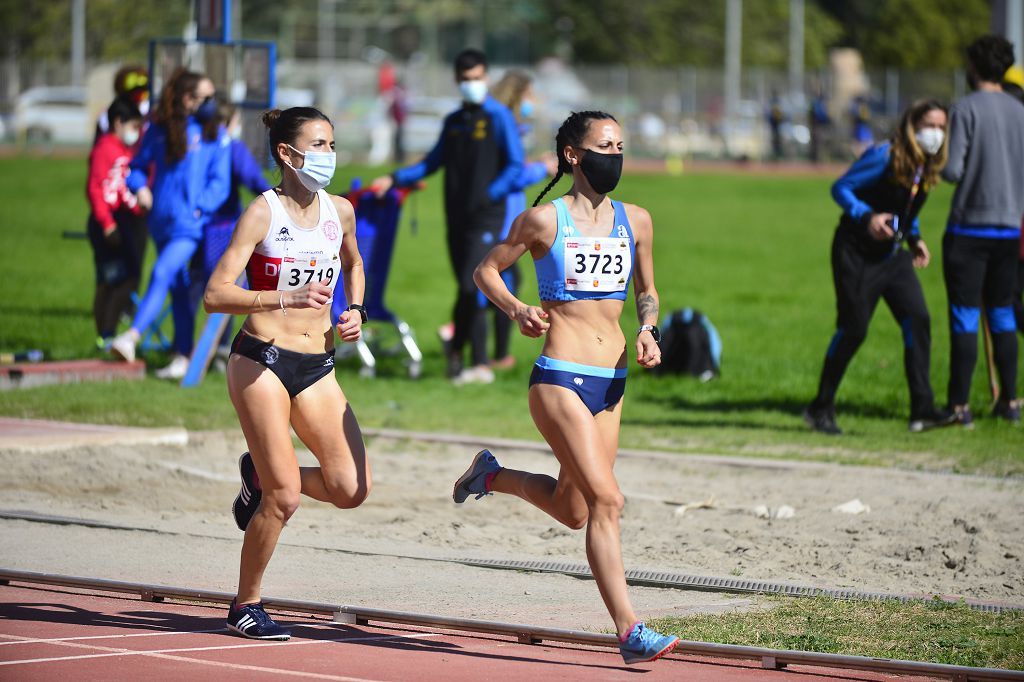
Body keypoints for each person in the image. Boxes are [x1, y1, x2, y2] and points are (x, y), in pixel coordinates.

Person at [454, 110, 679, 665]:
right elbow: (487, 270)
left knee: (576, 509)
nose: (616, 155)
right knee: (609, 498)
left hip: (614, 381)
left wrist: (648, 330)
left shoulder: (638, 220)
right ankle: (630, 631)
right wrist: (515, 308)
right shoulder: (543, 222)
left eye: (621, 145)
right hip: (559, 377)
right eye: (605, 145)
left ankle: (491, 475)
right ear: (575, 156)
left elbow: (648, 291)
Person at [203, 106, 370, 640]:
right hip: (262, 360)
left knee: (350, 487)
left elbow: (353, 262)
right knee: (286, 498)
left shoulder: (339, 210)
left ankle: (260, 475)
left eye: (331, 144)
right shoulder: (263, 213)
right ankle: (245, 604)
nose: (328, 156)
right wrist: (282, 295)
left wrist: (357, 311)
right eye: (318, 145)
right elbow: (214, 295)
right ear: (286, 153)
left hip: (317, 362)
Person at [370, 48, 524, 385]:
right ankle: (456, 353)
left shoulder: (499, 117)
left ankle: (479, 363)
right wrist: (395, 178)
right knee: (464, 286)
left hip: (487, 218)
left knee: (475, 285)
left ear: (486, 78)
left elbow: (515, 164)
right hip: (455, 217)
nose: (472, 84)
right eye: (466, 79)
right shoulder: (454, 121)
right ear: (457, 80)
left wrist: (490, 194)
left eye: (478, 78)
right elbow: (431, 163)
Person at [804, 100, 954, 435]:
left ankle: (922, 410)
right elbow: (840, 187)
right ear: (912, 126)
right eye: (929, 125)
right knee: (854, 329)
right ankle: (820, 408)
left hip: (892, 255)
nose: (936, 133)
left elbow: (906, 209)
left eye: (942, 127)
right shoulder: (885, 155)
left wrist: (914, 238)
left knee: (918, 319)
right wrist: (867, 216)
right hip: (856, 253)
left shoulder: (924, 166)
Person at [109, 69, 230, 376]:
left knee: (162, 271)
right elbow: (136, 168)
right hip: (160, 221)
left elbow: (220, 183)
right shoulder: (160, 130)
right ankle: (182, 355)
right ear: (188, 99)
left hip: (189, 225)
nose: (212, 103)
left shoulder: (216, 134)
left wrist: (199, 209)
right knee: (177, 286)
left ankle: (131, 336)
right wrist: (141, 188)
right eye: (207, 97)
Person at [941, 36, 1024, 426]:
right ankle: (1009, 401)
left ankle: (959, 407)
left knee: (965, 317)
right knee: (1003, 315)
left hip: (968, 228)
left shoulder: (964, 108)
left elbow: (953, 170)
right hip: (1009, 228)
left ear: (974, 67)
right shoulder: (1019, 110)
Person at [484, 69, 556, 369]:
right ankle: (487, 350)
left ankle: (483, 346)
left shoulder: (506, 125)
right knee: (501, 278)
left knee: (503, 278)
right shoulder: (503, 126)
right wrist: (541, 169)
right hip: (502, 216)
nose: (533, 102)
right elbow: (509, 175)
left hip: (508, 214)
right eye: (529, 95)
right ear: (517, 95)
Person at [200, 100, 272, 371]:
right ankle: (218, 349)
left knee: (193, 289)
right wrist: (277, 200)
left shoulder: (196, 144)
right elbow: (252, 178)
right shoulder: (231, 147)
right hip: (221, 227)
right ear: (230, 123)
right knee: (226, 288)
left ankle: (183, 350)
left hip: (190, 226)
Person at [85, 96, 147, 347]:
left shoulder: (124, 150)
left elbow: (123, 186)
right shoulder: (104, 149)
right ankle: (107, 335)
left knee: (118, 280)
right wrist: (107, 224)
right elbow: (95, 189)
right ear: (118, 122)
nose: (136, 133)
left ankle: (106, 335)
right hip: (107, 224)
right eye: (134, 127)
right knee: (115, 281)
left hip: (123, 220)